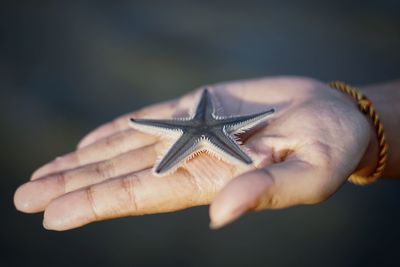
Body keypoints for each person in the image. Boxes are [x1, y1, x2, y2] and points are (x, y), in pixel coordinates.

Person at [13, 76, 400, 231]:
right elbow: (200, 110)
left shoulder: (219, 125)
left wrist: (358, 119)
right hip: (202, 123)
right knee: (177, 139)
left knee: (209, 135)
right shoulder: (196, 121)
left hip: (213, 124)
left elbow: (215, 111)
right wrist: (367, 118)